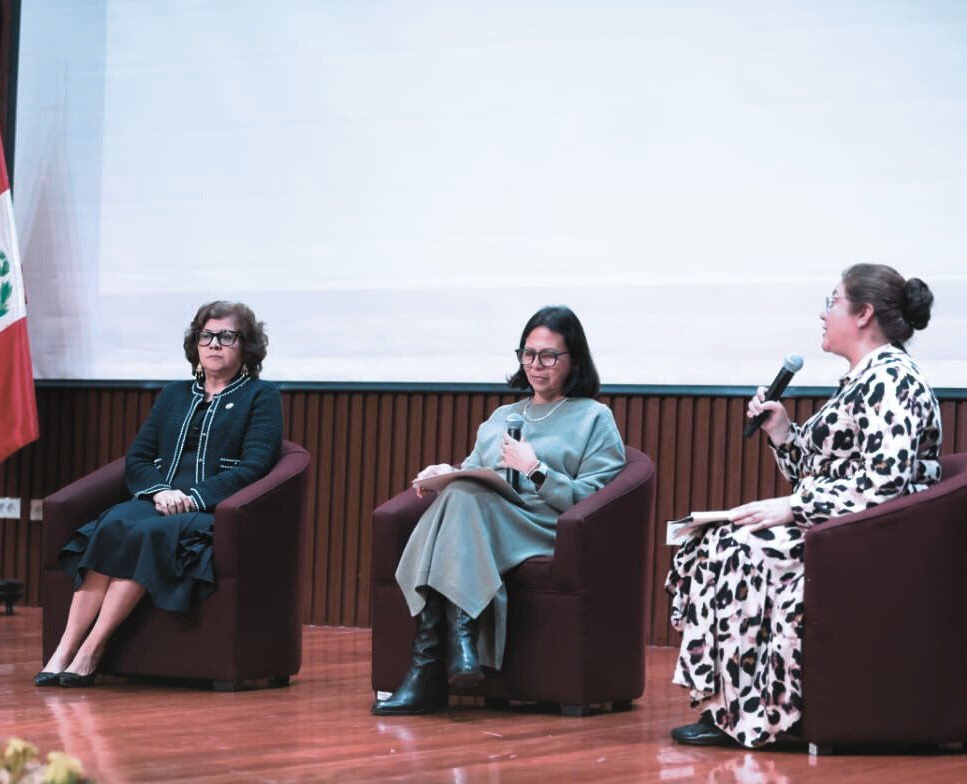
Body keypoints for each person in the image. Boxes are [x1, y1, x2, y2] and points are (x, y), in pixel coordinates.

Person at [666, 263, 941, 748]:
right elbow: (817, 471)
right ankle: (727, 706)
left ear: (863, 314)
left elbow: (884, 485)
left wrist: (794, 508)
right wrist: (781, 431)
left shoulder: (893, 380)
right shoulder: (862, 379)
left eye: (832, 301)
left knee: (739, 548)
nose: (823, 313)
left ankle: (755, 714)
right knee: (714, 541)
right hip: (838, 528)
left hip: (875, 541)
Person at [372, 305, 626, 715]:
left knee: (461, 502)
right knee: (458, 494)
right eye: (528, 354)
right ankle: (455, 649)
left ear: (573, 359)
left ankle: (432, 664)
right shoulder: (501, 416)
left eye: (549, 356)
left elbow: (592, 500)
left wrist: (537, 469)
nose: (536, 365)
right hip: (485, 521)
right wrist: (445, 473)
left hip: (543, 524)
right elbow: (475, 471)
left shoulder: (594, 417)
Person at [37, 300, 283, 688]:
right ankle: (64, 650)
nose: (214, 344)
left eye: (226, 336)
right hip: (159, 500)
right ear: (195, 343)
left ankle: (91, 651)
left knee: (149, 534)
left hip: (208, 509)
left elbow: (255, 466)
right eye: (206, 335)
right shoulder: (174, 394)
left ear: (246, 346)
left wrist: (193, 496)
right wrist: (160, 492)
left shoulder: (261, 395)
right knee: (114, 523)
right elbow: (138, 457)